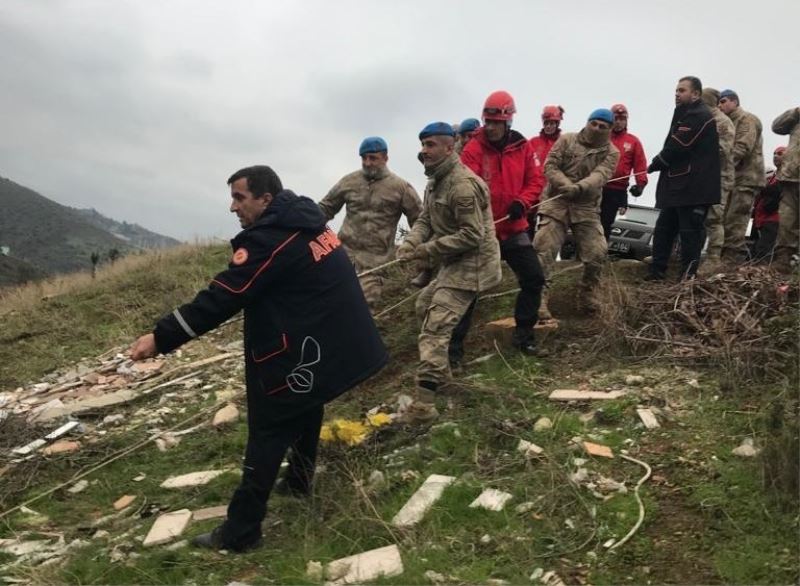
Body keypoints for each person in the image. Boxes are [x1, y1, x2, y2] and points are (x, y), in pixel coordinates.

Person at [129, 165, 388, 552]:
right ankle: (299, 481)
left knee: (268, 429)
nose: (233, 207)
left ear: (265, 199)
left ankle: (241, 532)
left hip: (307, 342)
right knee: (307, 401)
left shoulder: (273, 240)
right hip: (331, 340)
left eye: (239, 197)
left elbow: (224, 295)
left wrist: (161, 336)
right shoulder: (306, 222)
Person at [396, 122, 501, 416]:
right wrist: (411, 243)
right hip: (454, 262)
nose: (424, 151)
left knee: (435, 329)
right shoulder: (436, 182)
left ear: (448, 147)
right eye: (422, 145)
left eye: (430, 145)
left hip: (474, 265)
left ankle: (424, 404)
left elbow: (472, 235)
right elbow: (426, 219)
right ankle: (445, 381)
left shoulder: (462, 185)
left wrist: (426, 250)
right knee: (423, 305)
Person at [456, 90, 546, 356]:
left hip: (514, 228)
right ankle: (453, 350)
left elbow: (536, 180)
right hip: (484, 231)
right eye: (489, 122)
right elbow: (465, 187)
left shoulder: (523, 146)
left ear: (508, 122)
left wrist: (523, 202)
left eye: (498, 122)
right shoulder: (472, 149)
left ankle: (524, 337)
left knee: (534, 278)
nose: (492, 127)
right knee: (469, 289)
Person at [318, 137, 422, 311]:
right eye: (364, 158)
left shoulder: (401, 187)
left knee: (364, 309)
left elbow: (420, 220)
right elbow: (325, 208)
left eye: (373, 158)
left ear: (385, 158)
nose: (367, 163)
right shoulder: (349, 181)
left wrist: (413, 247)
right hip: (342, 256)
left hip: (376, 263)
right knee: (330, 304)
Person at [533, 109, 620, 313]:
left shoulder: (612, 152)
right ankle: (538, 297)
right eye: (594, 124)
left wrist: (579, 187)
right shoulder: (566, 140)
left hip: (586, 207)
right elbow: (550, 166)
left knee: (598, 252)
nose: (597, 128)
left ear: (609, 129)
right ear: (588, 122)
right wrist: (565, 184)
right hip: (557, 203)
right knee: (544, 247)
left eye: (603, 126)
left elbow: (601, 175)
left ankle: (588, 294)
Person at [646, 76, 720, 280]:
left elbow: (678, 145)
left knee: (690, 234)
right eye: (676, 91)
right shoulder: (684, 112)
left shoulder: (699, 114)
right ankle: (656, 271)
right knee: (664, 229)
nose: (677, 94)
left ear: (695, 94)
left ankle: (688, 278)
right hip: (678, 186)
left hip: (695, 187)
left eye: (682, 90)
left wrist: (655, 163)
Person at [718, 89, 765, 262]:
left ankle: (732, 258)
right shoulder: (727, 123)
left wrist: (719, 167)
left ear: (734, 102)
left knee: (736, 218)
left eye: (723, 101)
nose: (720, 106)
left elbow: (742, 148)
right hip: (732, 178)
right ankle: (723, 256)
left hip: (747, 178)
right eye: (718, 103)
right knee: (723, 219)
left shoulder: (747, 120)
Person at [700, 88, 736, 269]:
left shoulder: (723, 122)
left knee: (714, 217)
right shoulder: (700, 118)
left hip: (720, 177)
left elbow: (722, 150)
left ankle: (713, 257)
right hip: (701, 176)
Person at [601, 104, 648, 240]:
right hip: (596, 186)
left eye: (622, 119)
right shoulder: (601, 137)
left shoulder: (633, 142)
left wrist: (640, 185)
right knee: (589, 221)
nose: (619, 122)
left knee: (606, 222)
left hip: (616, 190)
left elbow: (640, 165)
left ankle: (599, 254)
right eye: (616, 118)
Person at [527, 105, 564, 237]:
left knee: (547, 228)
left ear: (557, 123)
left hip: (551, 192)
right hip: (532, 190)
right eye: (546, 123)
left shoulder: (563, 143)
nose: (549, 126)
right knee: (526, 226)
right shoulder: (532, 142)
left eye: (552, 123)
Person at [771, 107, 800, 273]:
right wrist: (795, 112)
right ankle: (783, 262)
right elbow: (776, 127)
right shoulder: (796, 118)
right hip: (790, 179)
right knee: (786, 224)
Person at [751, 147, 785, 262]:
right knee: (756, 249)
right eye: (774, 153)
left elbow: (778, 191)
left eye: (780, 153)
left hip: (774, 218)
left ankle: (762, 273)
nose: (775, 156)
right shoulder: (773, 177)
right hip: (761, 219)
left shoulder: (787, 177)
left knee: (764, 250)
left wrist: (764, 188)